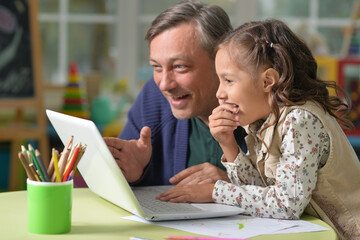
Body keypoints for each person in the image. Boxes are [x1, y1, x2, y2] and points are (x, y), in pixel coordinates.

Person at [157, 19, 360, 240]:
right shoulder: (262, 122)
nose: (219, 94)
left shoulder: (300, 120)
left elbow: (286, 204)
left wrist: (215, 192)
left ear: (267, 81)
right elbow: (262, 191)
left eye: (228, 80)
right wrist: (228, 144)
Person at [104, 1, 247, 186]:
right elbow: (109, 184)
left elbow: (292, 199)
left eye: (180, 67)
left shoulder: (266, 109)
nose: (164, 84)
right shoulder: (154, 97)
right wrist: (135, 174)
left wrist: (235, 187)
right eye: (156, 67)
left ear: (221, 61)